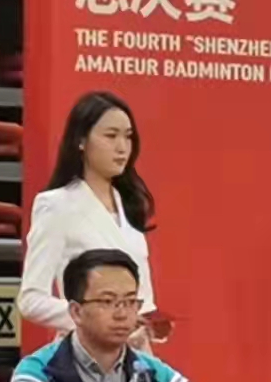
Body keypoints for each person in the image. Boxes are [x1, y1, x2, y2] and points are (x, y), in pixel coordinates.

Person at [9, 248, 206, 382]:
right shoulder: (38, 371)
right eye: (107, 302)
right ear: (76, 312)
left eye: (130, 302)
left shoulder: (157, 374)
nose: (122, 314)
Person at [18, 91, 164, 348]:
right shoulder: (57, 205)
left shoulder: (129, 204)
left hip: (136, 353)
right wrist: (95, 320)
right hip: (83, 352)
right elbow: (31, 300)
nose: (122, 147)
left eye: (128, 136)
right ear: (82, 140)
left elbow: (143, 297)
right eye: (111, 136)